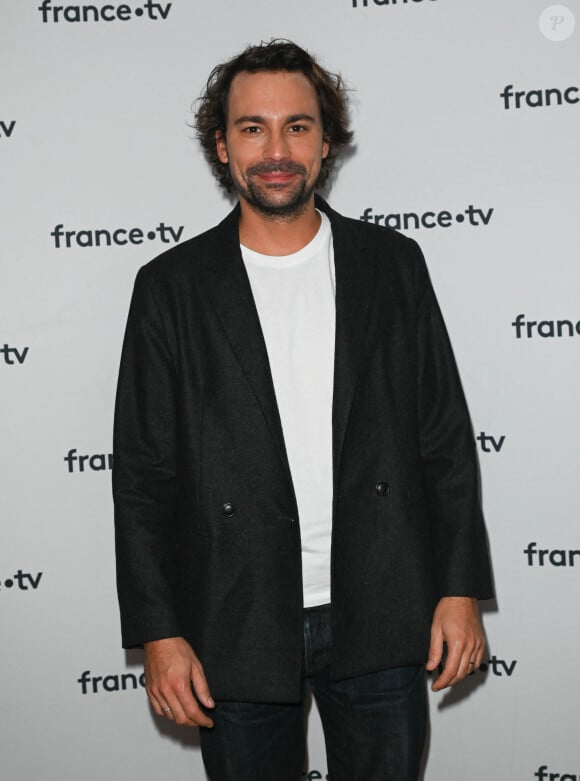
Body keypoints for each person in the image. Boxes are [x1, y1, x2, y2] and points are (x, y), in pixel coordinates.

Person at [113, 39, 493, 781]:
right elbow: (142, 476)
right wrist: (159, 632)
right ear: (222, 146)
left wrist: (457, 588)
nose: (276, 149)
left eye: (298, 126)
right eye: (253, 127)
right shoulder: (170, 288)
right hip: (235, 615)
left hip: (381, 606)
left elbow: (443, 437)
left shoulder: (393, 264)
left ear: (325, 142)